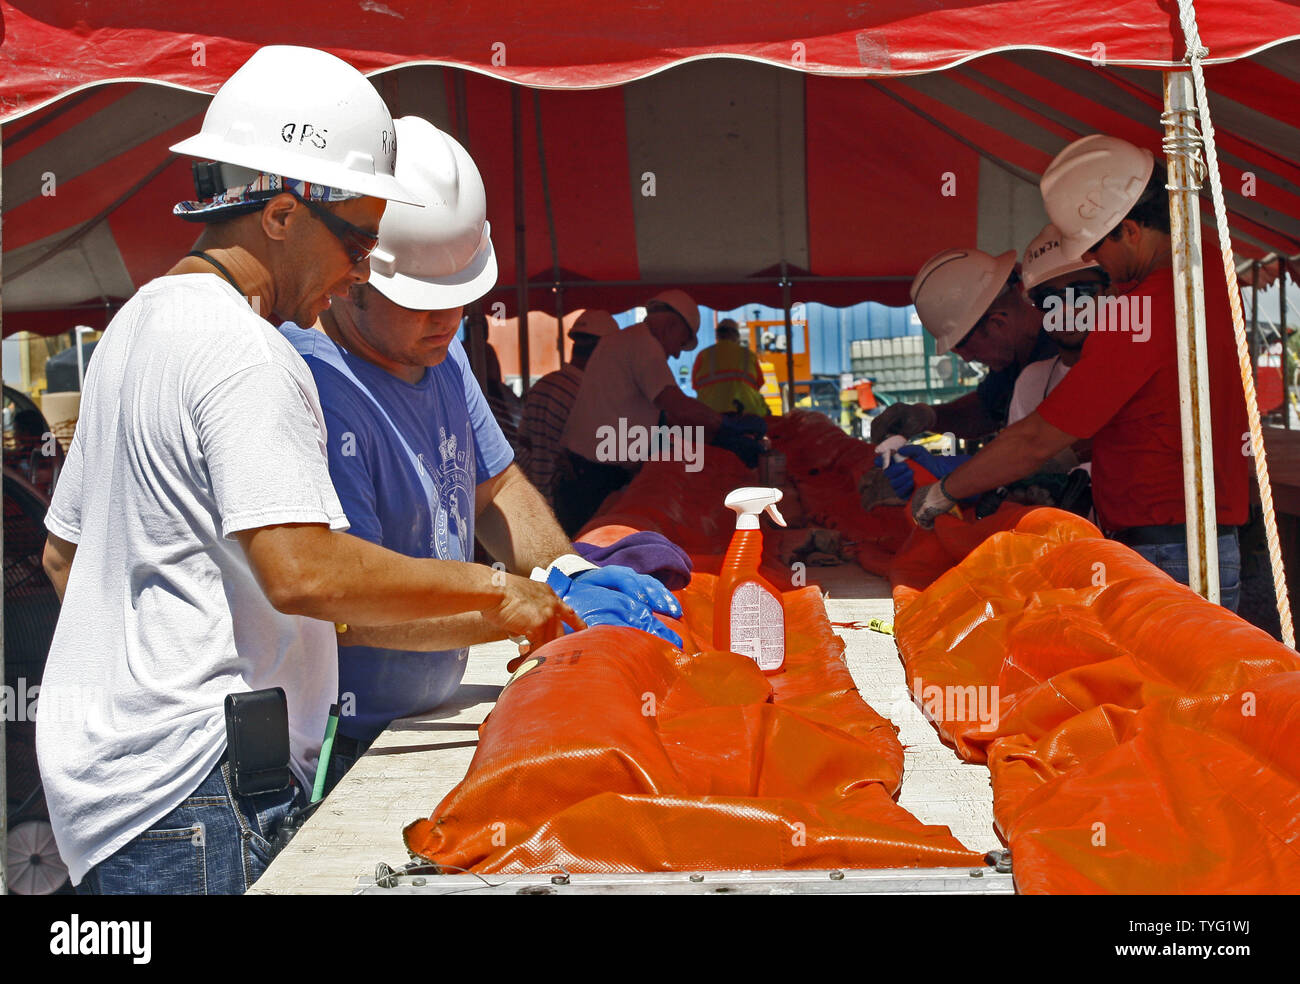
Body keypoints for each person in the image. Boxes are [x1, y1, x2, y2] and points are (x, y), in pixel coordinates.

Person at [37, 47, 579, 896]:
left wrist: (160, 670)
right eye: (358, 240)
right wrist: (502, 596)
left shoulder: (137, 327)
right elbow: (305, 571)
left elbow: (65, 559)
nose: (361, 269)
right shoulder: (252, 354)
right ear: (283, 215)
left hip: (119, 799)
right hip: (204, 798)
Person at [279, 117, 682, 786]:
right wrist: (517, 607)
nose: (447, 322)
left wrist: (567, 573)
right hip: (344, 741)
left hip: (432, 710)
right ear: (352, 274)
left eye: (461, 300)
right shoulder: (312, 388)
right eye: (422, 303)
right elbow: (347, 605)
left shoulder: (442, 354)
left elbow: (497, 491)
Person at [908, 134, 1249, 610]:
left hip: (1166, 549)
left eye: (1092, 248)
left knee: (1167, 684)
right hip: (1198, 540)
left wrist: (945, 491)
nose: (1089, 259)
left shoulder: (1145, 311)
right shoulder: (1210, 269)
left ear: (1130, 230)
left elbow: (1036, 440)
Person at [554, 290, 763, 535]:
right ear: (671, 326)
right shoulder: (644, 345)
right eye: (682, 343)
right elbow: (678, 406)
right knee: (590, 554)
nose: (676, 353)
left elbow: (666, 417)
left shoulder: (626, 341)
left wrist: (714, 428)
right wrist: (726, 428)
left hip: (587, 472)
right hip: (592, 478)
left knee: (588, 553)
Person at [870, 248, 1058, 444]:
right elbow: (985, 411)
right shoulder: (1014, 360)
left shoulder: (1064, 355)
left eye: (962, 345)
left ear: (997, 324)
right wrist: (929, 416)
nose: (966, 357)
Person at [517, 309, 619, 503]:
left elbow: (524, 441)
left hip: (537, 497)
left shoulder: (542, 385)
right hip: (570, 501)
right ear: (602, 351)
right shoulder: (587, 394)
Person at [691, 318, 768, 415]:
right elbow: (759, 383)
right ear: (736, 335)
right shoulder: (748, 355)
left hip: (710, 414)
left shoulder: (703, 355)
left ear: (717, 335)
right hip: (745, 414)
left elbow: (695, 385)